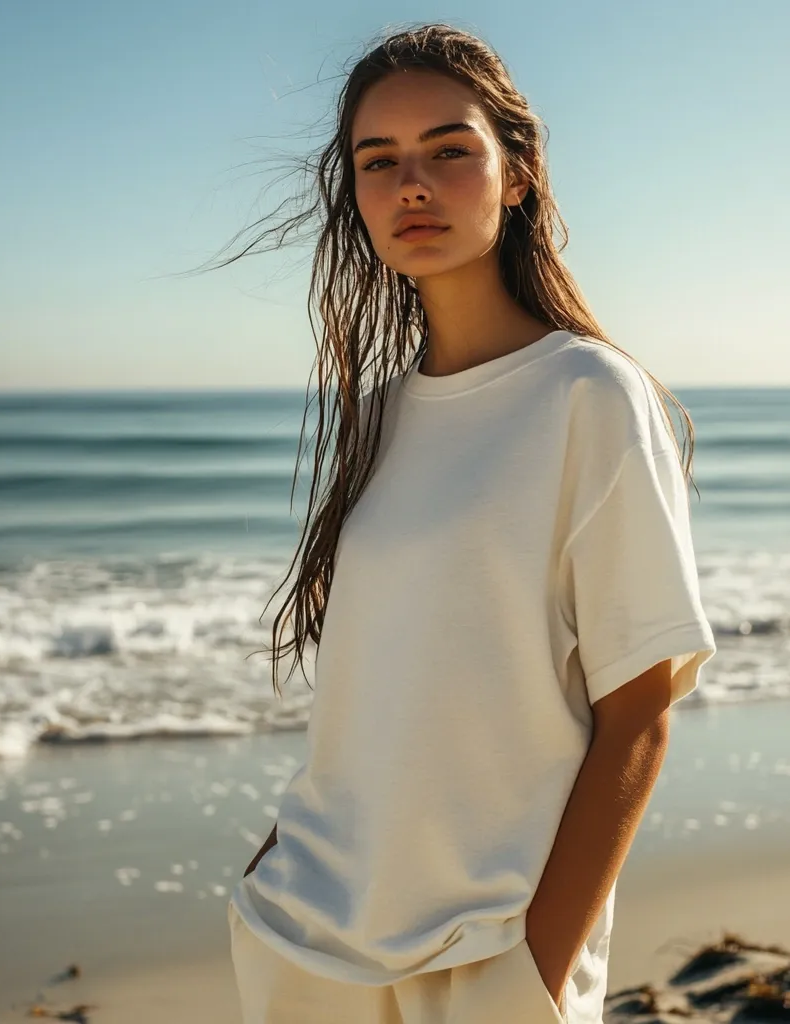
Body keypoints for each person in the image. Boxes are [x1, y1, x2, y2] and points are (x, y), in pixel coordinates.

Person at [220, 22, 716, 1024]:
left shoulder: (589, 396)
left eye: (449, 151)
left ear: (517, 173)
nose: (413, 185)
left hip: (486, 959)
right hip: (309, 941)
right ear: (353, 194)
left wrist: (534, 969)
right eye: (379, 161)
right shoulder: (381, 414)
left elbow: (639, 713)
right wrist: (271, 868)